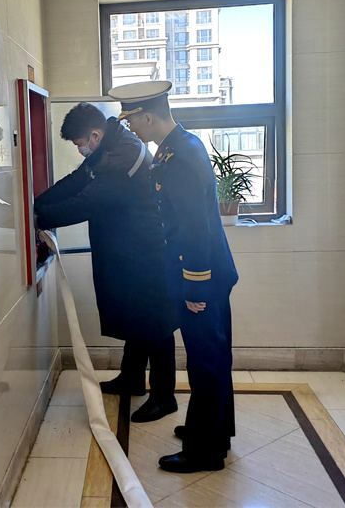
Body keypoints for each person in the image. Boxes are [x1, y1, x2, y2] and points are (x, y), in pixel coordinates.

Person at [109, 80, 238, 473]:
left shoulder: (179, 157)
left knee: (205, 362)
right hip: (205, 273)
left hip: (201, 277)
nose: (131, 127)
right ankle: (214, 431)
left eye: (132, 120)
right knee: (213, 357)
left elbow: (195, 228)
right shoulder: (177, 148)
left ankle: (205, 452)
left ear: (148, 117)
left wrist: (195, 285)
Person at [34, 102, 179, 422]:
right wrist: (37, 204)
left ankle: (164, 397)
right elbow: (76, 181)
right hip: (128, 250)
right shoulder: (110, 146)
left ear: (95, 135)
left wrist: (40, 218)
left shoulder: (123, 155)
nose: (80, 150)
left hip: (147, 252)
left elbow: (88, 202)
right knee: (136, 318)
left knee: (156, 324)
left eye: (80, 144)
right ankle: (132, 379)